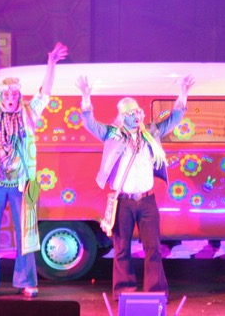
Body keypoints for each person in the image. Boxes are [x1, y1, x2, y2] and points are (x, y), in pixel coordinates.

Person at [78, 72, 195, 298]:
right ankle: (124, 291)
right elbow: (90, 124)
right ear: (122, 117)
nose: (136, 116)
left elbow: (174, 119)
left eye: (138, 112)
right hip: (124, 202)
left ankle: (156, 291)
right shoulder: (112, 134)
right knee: (122, 249)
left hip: (147, 201)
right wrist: (85, 96)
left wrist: (183, 92)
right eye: (130, 113)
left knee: (153, 248)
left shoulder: (151, 132)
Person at [0, 38, 67, 298]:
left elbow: (45, 93)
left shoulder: (29, 113)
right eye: (7, 94)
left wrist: (51, 63)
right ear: (1, 96)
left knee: (27, 232)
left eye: (15, 94)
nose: (11, 98)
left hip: (24, 183)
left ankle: (26, 280)